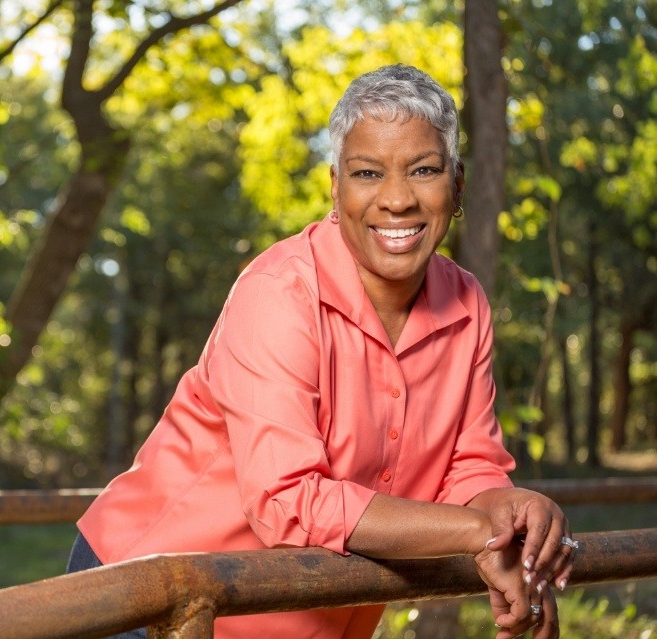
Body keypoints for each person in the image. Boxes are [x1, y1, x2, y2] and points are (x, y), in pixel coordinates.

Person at [68, 64, 576, 639]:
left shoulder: (467, 303)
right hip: (148, 594)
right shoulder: (278, 293)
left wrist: (511, 516)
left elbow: (469, 463)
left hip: (302, 616)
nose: (397, 199)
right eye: (367, 172)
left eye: (424, 170)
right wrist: (478, 533)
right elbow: (288, 500)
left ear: (456, 186)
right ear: (335, 188)